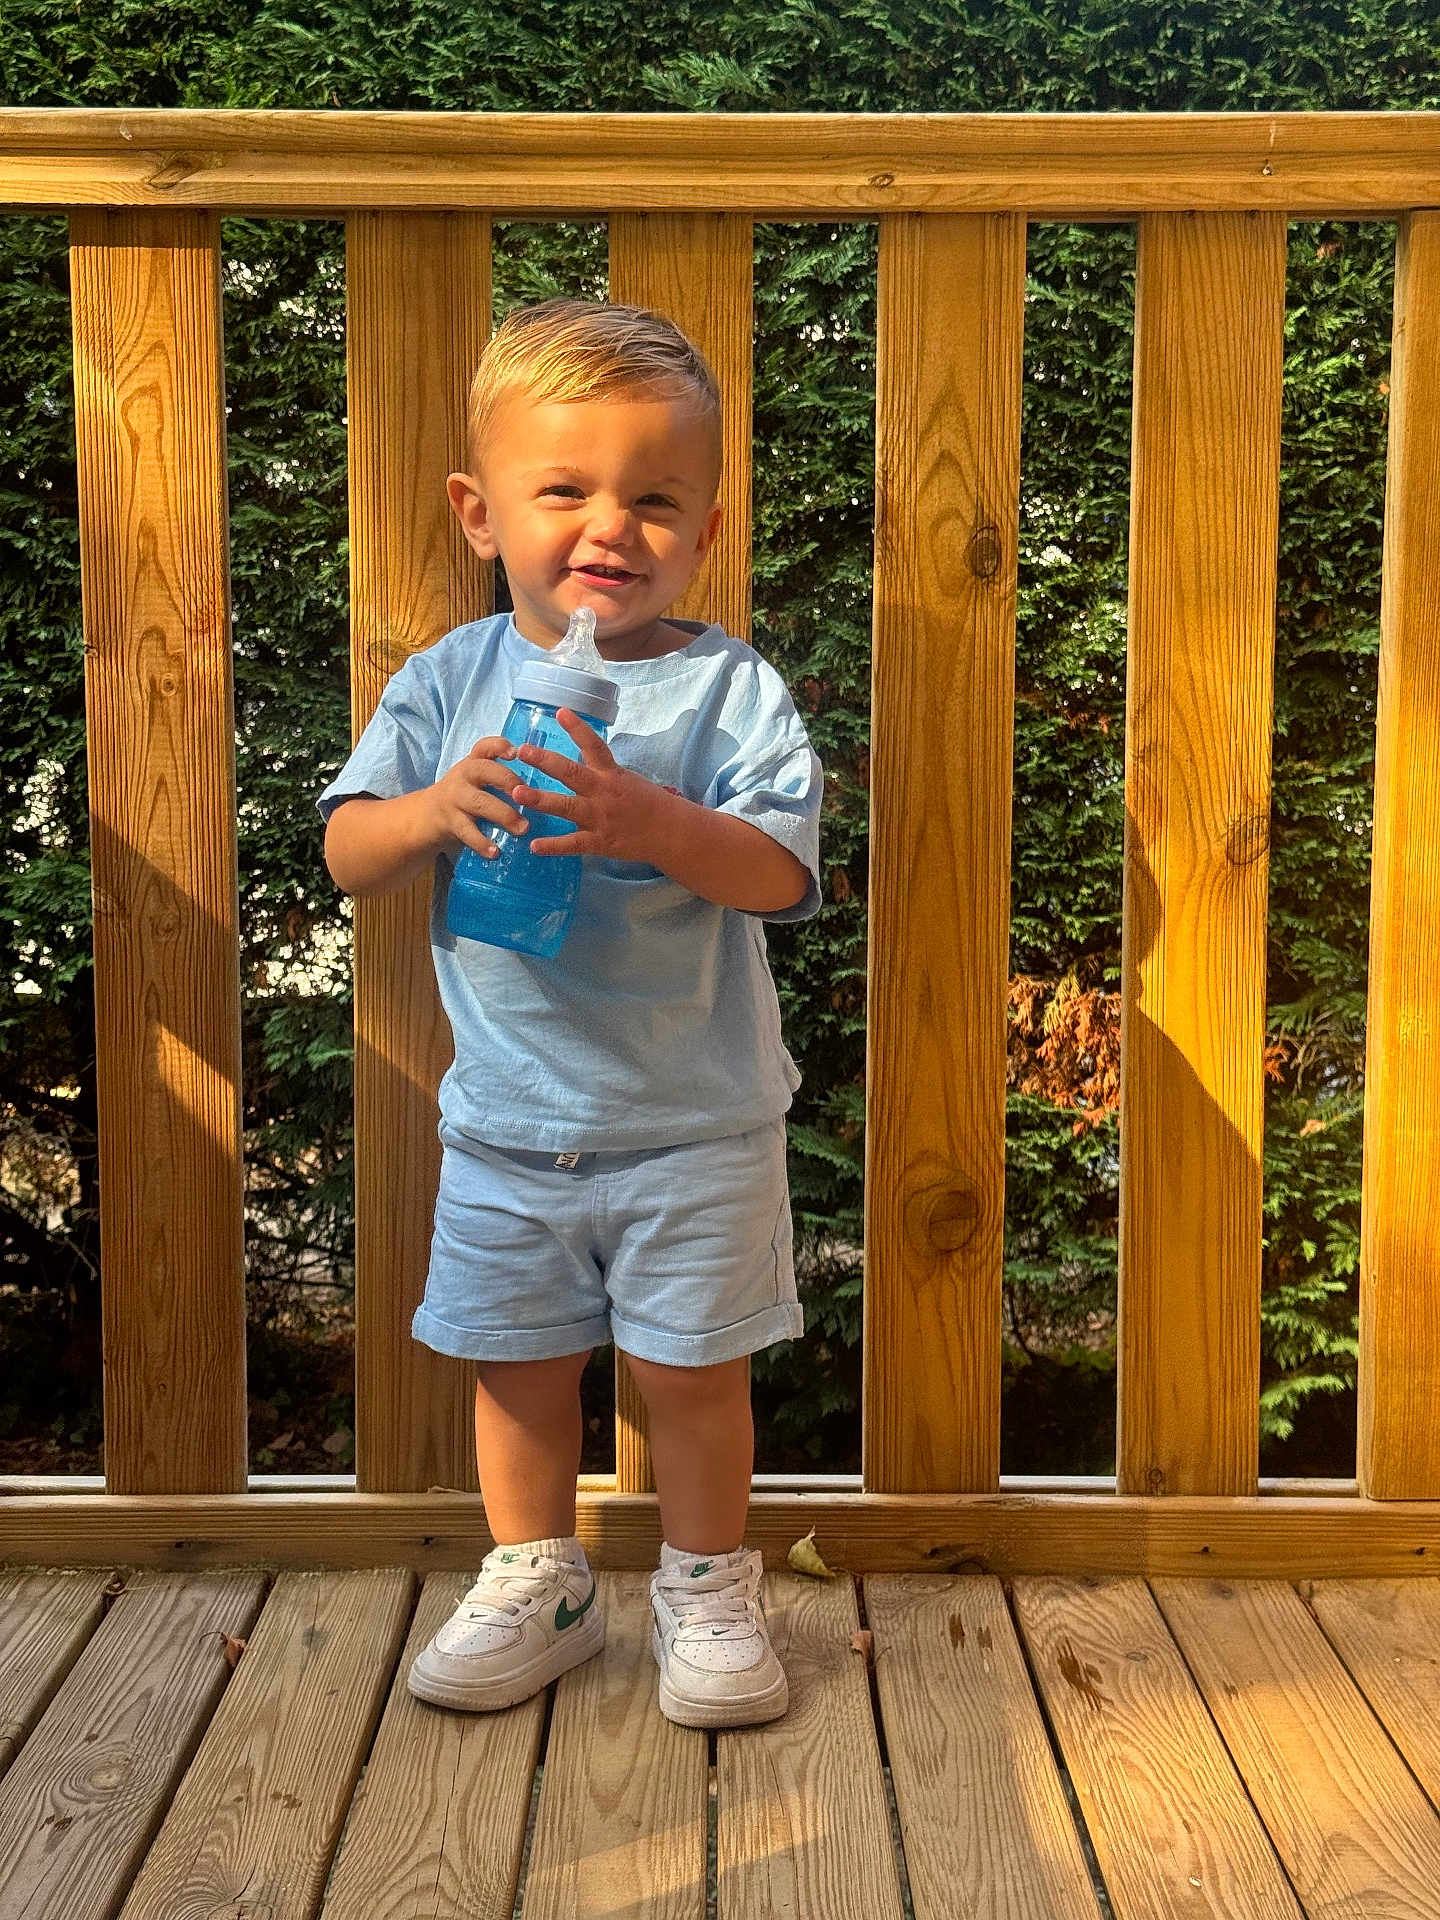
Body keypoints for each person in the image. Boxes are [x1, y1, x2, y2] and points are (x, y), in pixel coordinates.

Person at [318, 298, 823, 1728]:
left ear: (706, 531)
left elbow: (782, 872)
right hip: (508, 1123)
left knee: (691, 1377)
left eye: (655, 498)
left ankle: (709, 1586)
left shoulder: (728, 690)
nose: (611, 526)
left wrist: (653, 819)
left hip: (695, 1124)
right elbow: (349, 852)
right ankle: (537, 1578)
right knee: (519, 1367)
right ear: (481, 515)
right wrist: (428, 808)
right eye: (565, 490)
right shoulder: (450, 682)